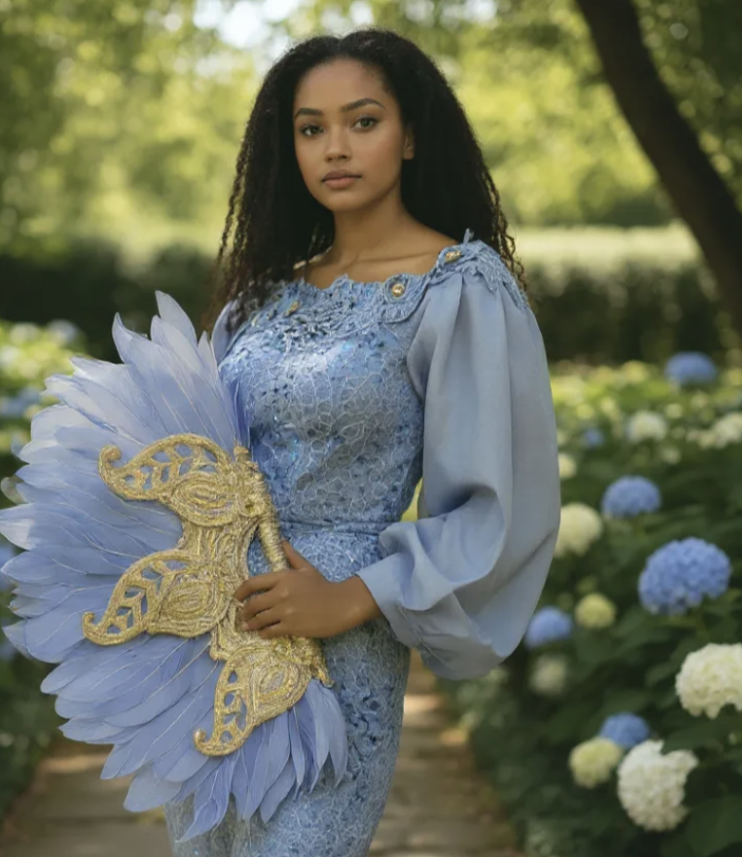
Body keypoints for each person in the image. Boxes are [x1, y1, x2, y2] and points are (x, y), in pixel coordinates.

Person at [162, 27, 562, 856]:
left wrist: (353, 596)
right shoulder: (259, 297)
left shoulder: (460, 289)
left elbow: (497, 506)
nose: (334, 147)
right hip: (214, 635)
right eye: (310, 128)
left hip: (340, 645)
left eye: (363, 121)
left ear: (409, 135)